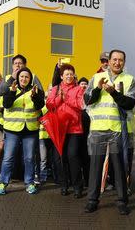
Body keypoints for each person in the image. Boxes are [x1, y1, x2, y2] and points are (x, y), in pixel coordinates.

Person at [84, 49, 135, 215]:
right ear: (109, 60)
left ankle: (122, 201)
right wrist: (98, 90)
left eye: (120, 60)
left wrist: (113, 92)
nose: (117, 63)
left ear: (124, 62)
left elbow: (129, 103)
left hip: (118, 130)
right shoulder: (97, 77)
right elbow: (87, 100)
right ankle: (92, 200)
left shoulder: (129, 80)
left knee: (119, 166)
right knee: (95, 166)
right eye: (114, 59)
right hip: (98, 129)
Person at [0, 67, 45, 195]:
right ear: (18, 78)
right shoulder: (10, 88)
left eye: (27, 77)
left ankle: (29, 183)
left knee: (29, 158)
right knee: (8, 158)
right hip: (12, 129)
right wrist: (11, 92)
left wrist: (35, 96)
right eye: (22, 76)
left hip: (30, 129)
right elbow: (6, 104)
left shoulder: (35, 90)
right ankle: (2, 183)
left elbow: (40, 105)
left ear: (30, 79)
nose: (24, 79)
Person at [46, 64, 85, 198]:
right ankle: (64, 185)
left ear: (74, 75)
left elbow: (81, 105)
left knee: (72, 156)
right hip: (58, 128)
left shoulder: (79, 89)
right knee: (59, 158)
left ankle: (77, 186)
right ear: (61, 76)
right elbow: (49, 104)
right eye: (66, 74)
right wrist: (59, 98)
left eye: (71, 74)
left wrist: (66, 99)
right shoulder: (56, 88)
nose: (69, 76)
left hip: (74, 128)